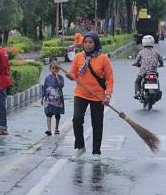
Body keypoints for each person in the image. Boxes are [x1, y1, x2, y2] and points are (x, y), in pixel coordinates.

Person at [66, 32, 114, 160]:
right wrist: (71, 76)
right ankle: (80, 147)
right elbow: (73, 74)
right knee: (76, 119)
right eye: (86, 42)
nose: (87, 45)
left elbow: (109, 79)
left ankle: (96, 152)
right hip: (81, 93)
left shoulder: (103, 58)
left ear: (96, 43)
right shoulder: (78, 57)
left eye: (90, 42)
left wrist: (107, 95)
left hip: (98, 96)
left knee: (97, 123)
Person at [42, 60, 65, 136]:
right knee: (48, 113)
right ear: (50, 69)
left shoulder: (60, 77)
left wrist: (58, 78)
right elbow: (44, 88)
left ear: (59, 69)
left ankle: (56, 128)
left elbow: (61, 85)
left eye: (56, 68)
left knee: (57, 114)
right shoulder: (47, 78)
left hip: (58, 99)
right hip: (49, 99)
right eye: (53, 68)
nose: (55, 70)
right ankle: (49, 129)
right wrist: (42, 98)